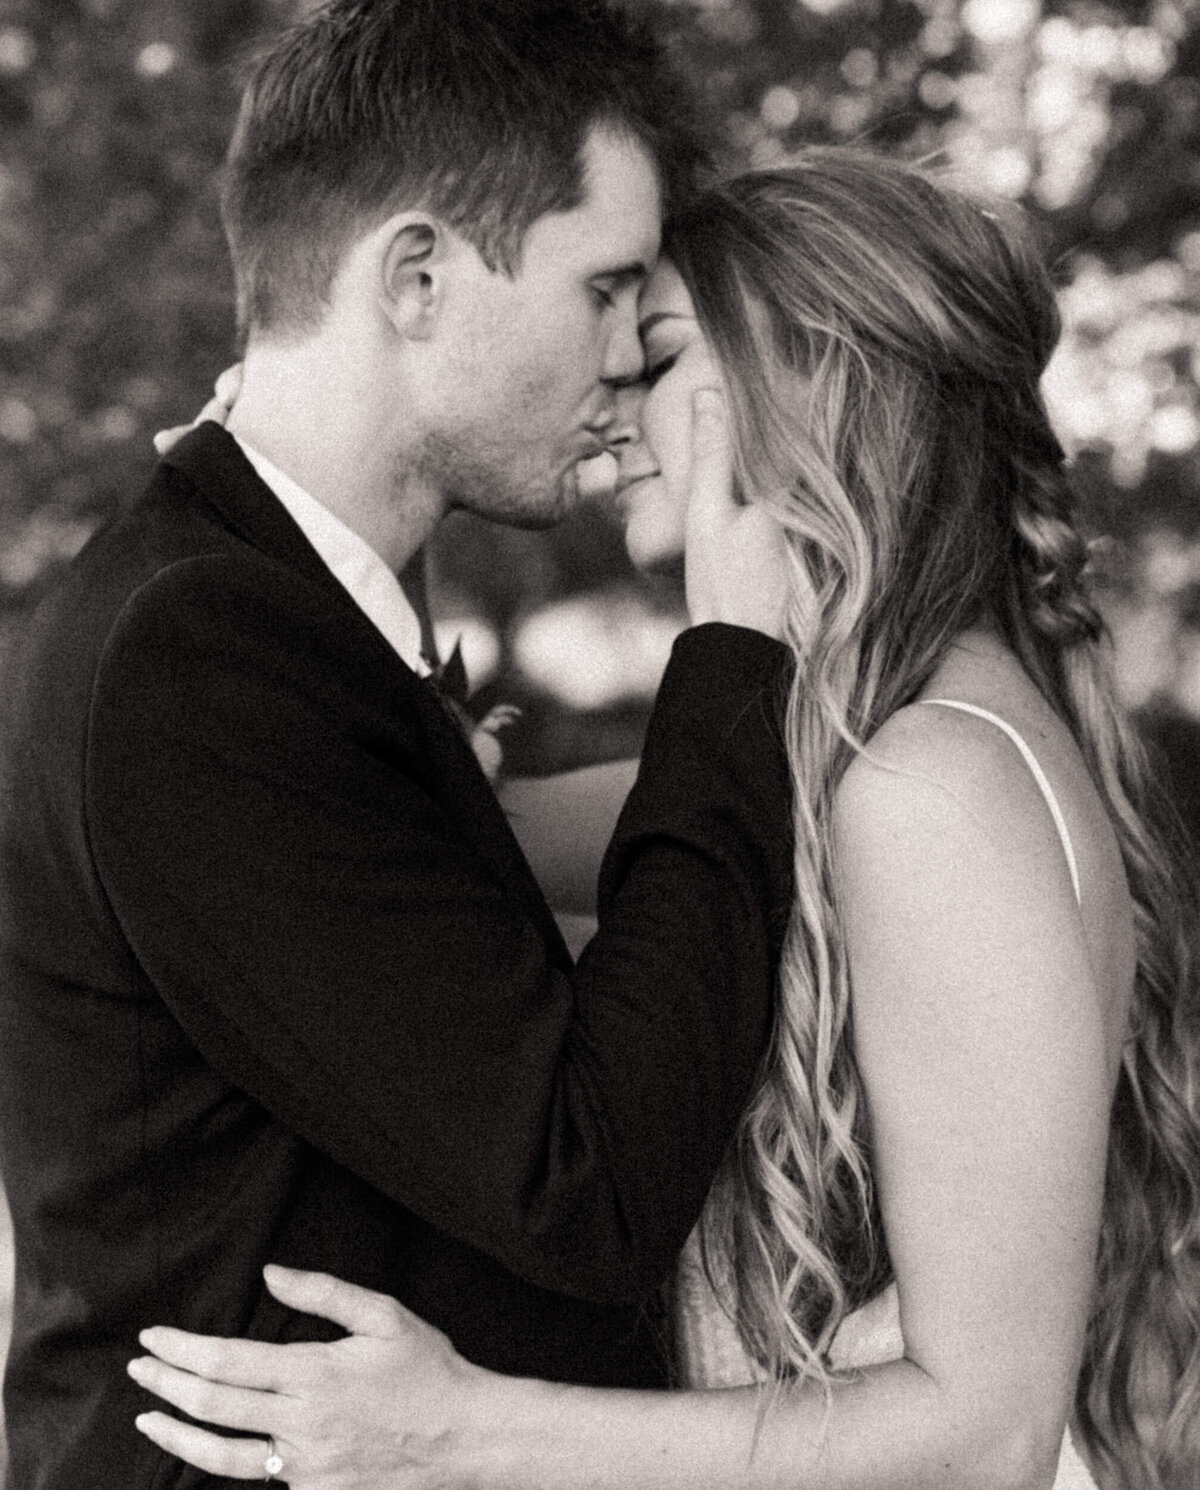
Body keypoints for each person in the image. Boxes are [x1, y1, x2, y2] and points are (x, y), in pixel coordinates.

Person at [129, 152, 1200, 1490]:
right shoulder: (835, 756)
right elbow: (461, 839)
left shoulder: (932, 787)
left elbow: (981, 1431)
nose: (614, 410)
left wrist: (459, 1428)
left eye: (662, 356)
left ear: (812, 377)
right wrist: (301, 477)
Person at [0, 3, 800, 1486]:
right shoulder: (202, 653)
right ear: (419, 277)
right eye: (607, 288)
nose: (631, 355)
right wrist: (733, 660)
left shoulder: (267, 608)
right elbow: (592, 1174)